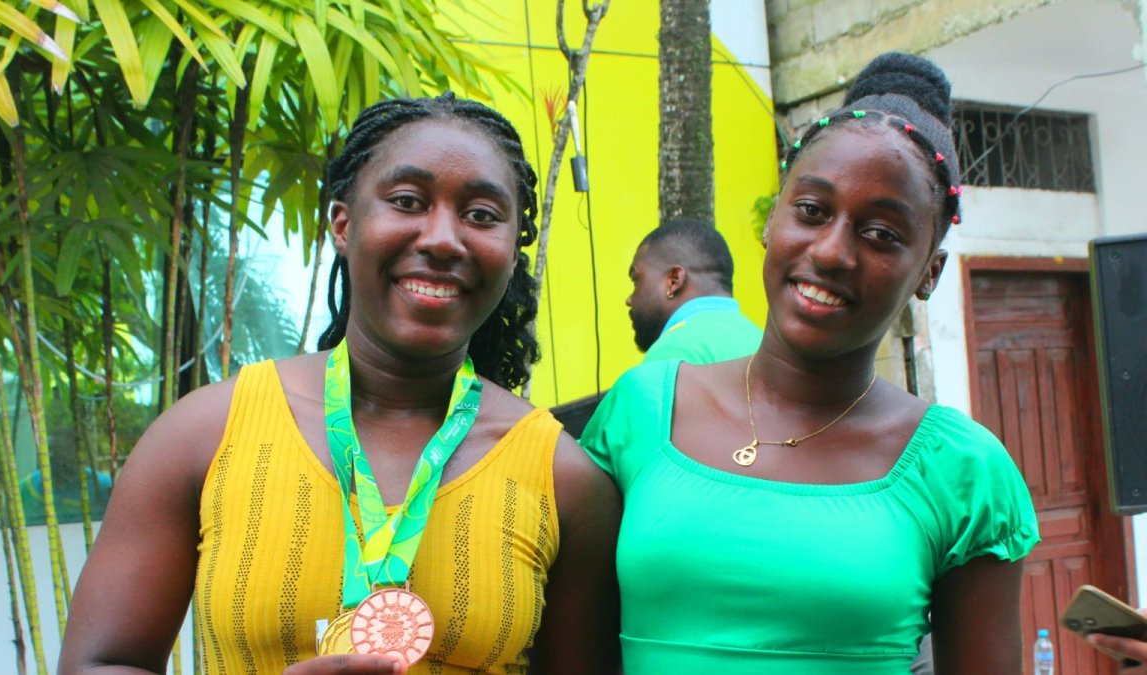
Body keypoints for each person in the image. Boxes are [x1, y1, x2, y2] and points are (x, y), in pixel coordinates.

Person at [59, 93, 621, 675]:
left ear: (510, 252)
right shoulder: (203, 435)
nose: (442, 239)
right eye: (407, 201)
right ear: (343, 225)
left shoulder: (565, 480)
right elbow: (97, 664)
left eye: (481, 215)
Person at [581, 52, 1039, 674]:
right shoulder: (641, 410)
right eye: (812, 211)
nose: (830, 252)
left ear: (929, 271)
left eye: (881, 234)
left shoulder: (961, 471)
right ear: (773, 218)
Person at [626, 218, 762, 363]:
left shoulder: (673, 351)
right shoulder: (761, 342)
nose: (629, 300)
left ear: (674, 280)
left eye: (636, 281)